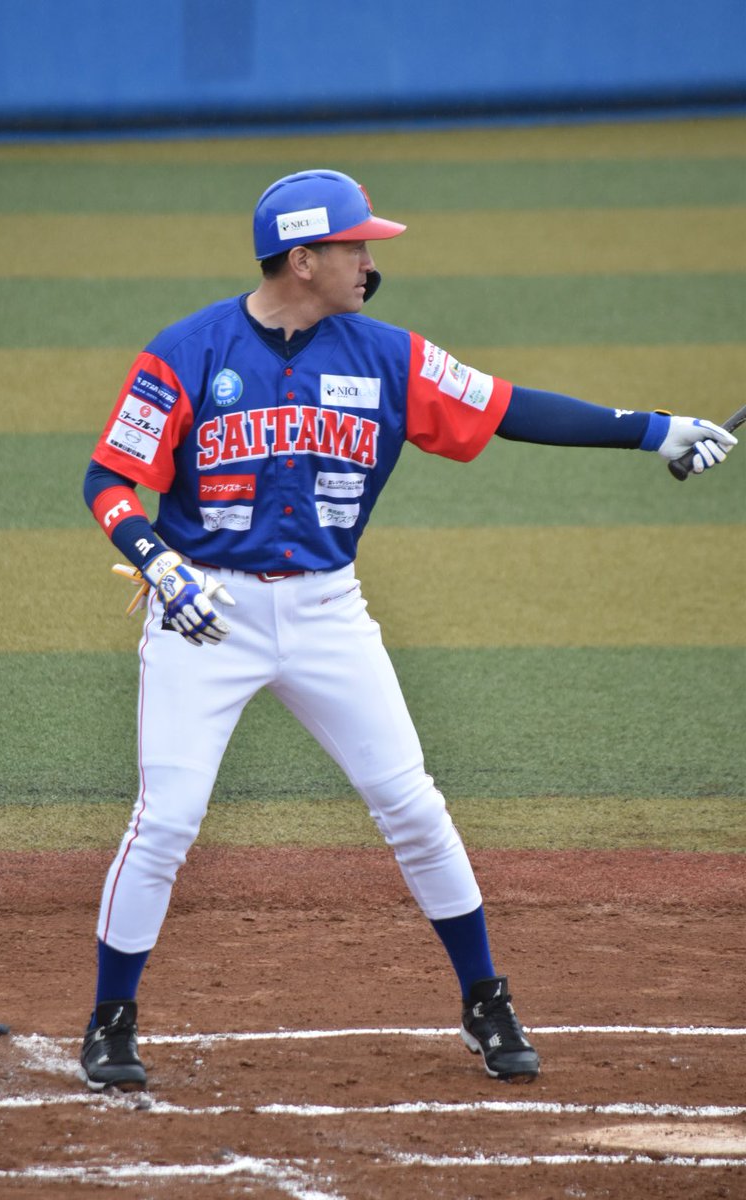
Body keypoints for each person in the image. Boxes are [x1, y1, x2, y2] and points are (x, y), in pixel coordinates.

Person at [79, 168, 736, 1093]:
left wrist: (653, 430)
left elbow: (508, 408)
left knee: (412, 805)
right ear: (302, 259)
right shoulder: (186, 353)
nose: (369, 260)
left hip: (327, 612)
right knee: (167, 821)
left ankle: (485, 998)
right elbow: (108, 479)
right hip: (206, 616)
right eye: (355, 245)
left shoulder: (390, 357)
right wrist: (157, 561)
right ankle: (110, 1020)